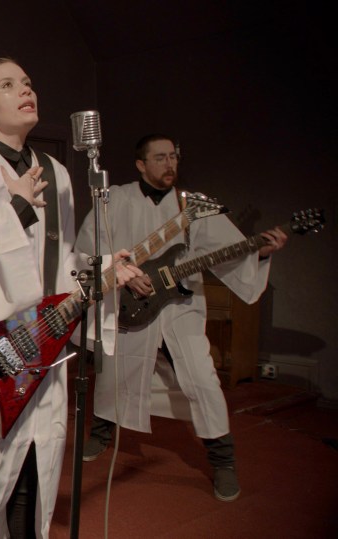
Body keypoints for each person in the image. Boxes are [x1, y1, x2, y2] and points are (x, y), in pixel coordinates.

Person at [0, 58, 142, 538]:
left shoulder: (55, 172)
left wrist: (101, 271)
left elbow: (57, 262)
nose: (25, 90)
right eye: (8, 84)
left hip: (44, 347)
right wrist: (16, 207)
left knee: (34, 472)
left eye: (28, 83)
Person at [76, 134, 287, 501]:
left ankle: (223, 459)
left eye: (173, 156)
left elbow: (228, 250)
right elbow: (89, 247)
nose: (169, 163)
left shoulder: (192, 205)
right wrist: (123, 273)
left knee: (202, 378)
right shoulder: (116, 199)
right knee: (115, 371)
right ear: (141, 164)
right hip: (130, 299)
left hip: (181, 304)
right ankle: (101, 431)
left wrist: (261, 252)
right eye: (160, 157)